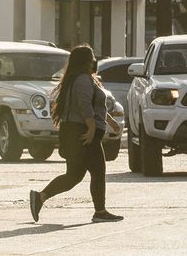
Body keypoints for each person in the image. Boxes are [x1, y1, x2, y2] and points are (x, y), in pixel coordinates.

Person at [29, 44, 121, 224]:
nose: (94, 61)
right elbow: (84, 105)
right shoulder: (82, 80)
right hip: (82, 132)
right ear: (85, 60)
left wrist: (110, 121)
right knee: (98, 171)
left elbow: (95, 106)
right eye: (92, 57)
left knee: (74, 176)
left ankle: (40, 197)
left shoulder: (86, 79)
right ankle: (100, 211)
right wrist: (92, 128)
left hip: (78, 131)